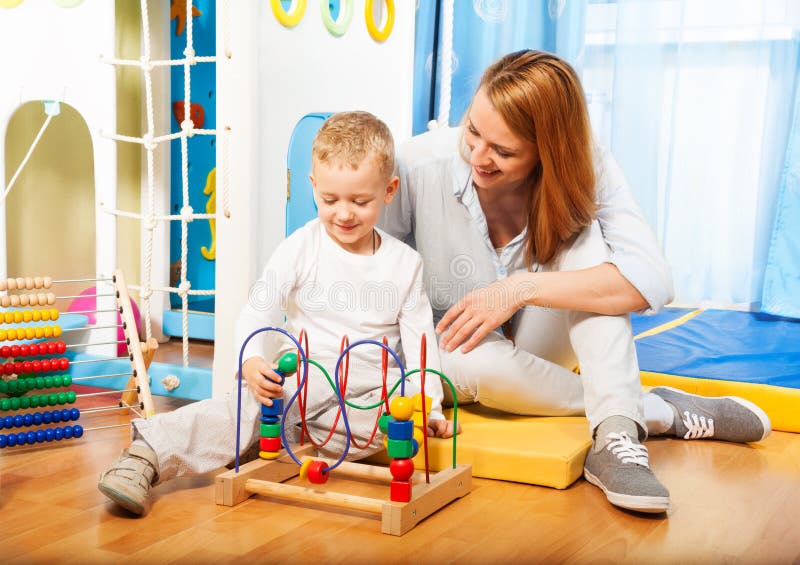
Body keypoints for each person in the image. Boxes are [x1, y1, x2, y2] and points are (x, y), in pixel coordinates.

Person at [380, 49, 771, 513]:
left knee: (586, 236)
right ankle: (650, 411)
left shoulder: (587, 163)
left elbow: (653, 281)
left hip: (545, 338)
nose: (478, 156)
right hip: (453, 348)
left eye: (503, 151)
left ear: (546, 150)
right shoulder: (416, 164)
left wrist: (518, 289)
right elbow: (374, 277)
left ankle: (616, 438)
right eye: (472, 130)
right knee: (475, 364)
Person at [98, 111, 455, 516]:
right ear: (313, 187)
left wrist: (430, 406)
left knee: (393, 424)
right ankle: (147, 453)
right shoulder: (301, 247)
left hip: (372, 393)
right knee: (252, 404)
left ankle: (265, 439)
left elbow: (421, 346)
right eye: (330, 199)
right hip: (304, 380)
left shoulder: (406, 264)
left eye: (360, 201)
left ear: (389, 191)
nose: (344, 214)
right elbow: (259, 308)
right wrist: (250, 362)